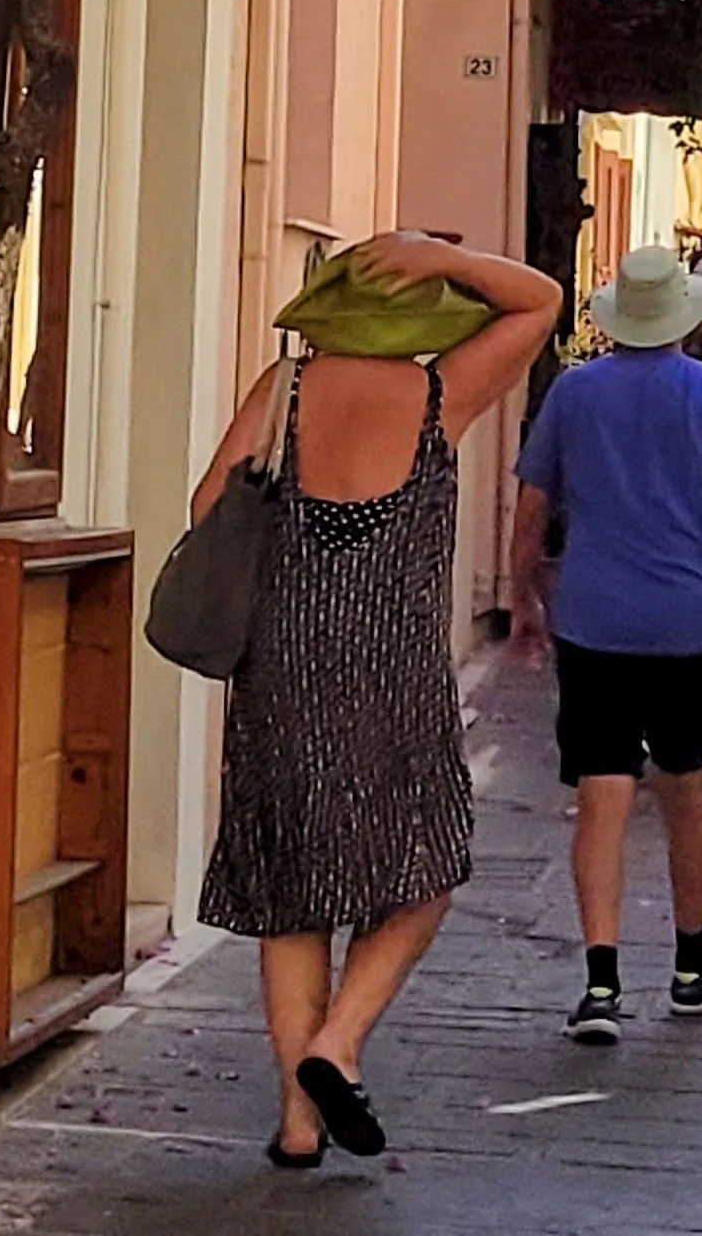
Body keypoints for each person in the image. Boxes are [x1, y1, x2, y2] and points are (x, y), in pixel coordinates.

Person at [191, 230, 561, 1166]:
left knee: (289, 893)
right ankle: (339, 1041)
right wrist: (439, 258)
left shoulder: (283, 394)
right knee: (425, 865)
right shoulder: (437, 395)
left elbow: (207, 509)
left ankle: (298, 1125)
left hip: (279, 664)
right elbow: (540, 300)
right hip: (391, 666)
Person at [507, 246, 702, 1041]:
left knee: (602, 795)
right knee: (689, 792)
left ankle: (601, 982)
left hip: (592, 616)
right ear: (687, 319)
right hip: (684, 622)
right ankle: (691, 965)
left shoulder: (574, 394)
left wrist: (523, 596)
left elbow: (532, 502)